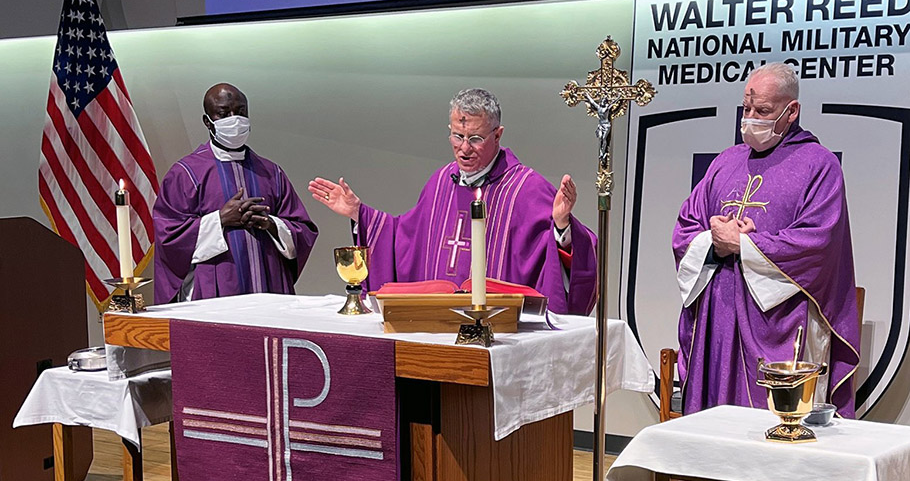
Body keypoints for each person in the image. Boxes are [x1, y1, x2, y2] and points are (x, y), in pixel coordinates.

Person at [672, 63, 860, 481]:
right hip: (720, 318)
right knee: (718, 431)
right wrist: (713, 232)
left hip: (780, 322)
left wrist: (749, 243)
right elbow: (686, 224)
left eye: (762, 110)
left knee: (775, 431)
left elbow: (819, 243)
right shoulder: (724, 164)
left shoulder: (818, 165)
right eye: (746, 107)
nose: (750, 119)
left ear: (791, 110)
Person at [308, 88, 598, 315]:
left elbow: (567, 259)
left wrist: (561, 224)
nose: (463, 149)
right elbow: (407, 239)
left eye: (475, 139)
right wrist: (360, 213)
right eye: (457, 136)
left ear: (498, 135)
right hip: (436, 324)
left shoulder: (525, 188)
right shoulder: (441, 182)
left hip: (502, 333)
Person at [153, 83, 318, 304]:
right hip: (214, 292)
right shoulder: (186, 173)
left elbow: (303, 230)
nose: (234, 119)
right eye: (223, 114)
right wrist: (220, 219)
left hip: (270, 289)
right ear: (207, 121)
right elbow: (169, 236)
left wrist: (270, 224)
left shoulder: (271, 173)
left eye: (240, 112)